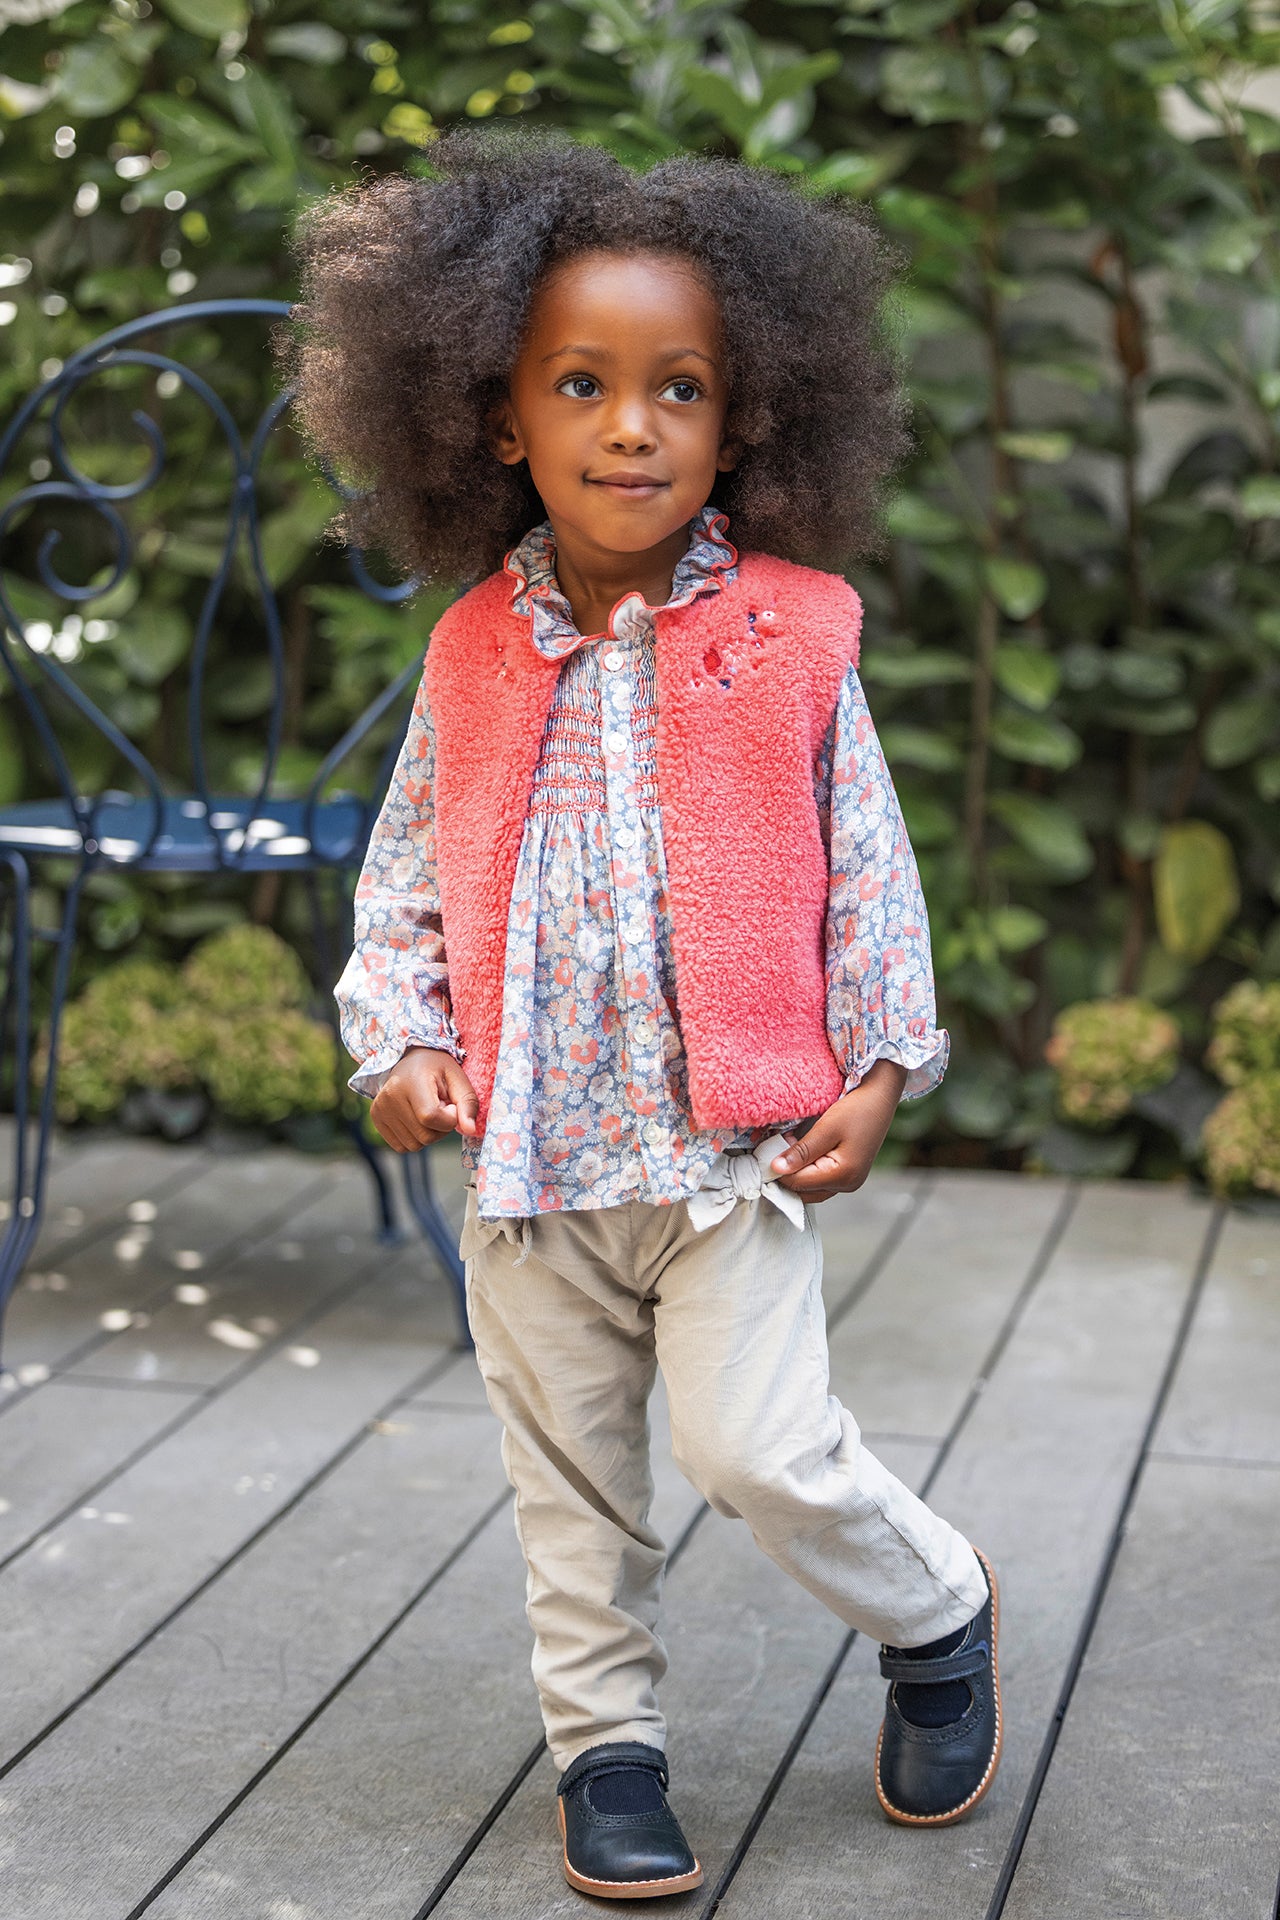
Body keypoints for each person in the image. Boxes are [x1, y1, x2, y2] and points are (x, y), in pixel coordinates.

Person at [284, 128, 1001, 1901]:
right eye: (581, 385)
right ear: (493, 420)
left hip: (724, 1159)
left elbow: (868, 865)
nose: (631, 427)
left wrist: (881, 1061)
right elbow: (406, 878)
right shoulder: (473, 650)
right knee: (573, 1489)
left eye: (679, 387)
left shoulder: (794, 637)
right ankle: (605, 1751)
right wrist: (402, 1044)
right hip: (530, 1163)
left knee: (759, 1452)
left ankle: (936, 1608)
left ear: (743, 421)